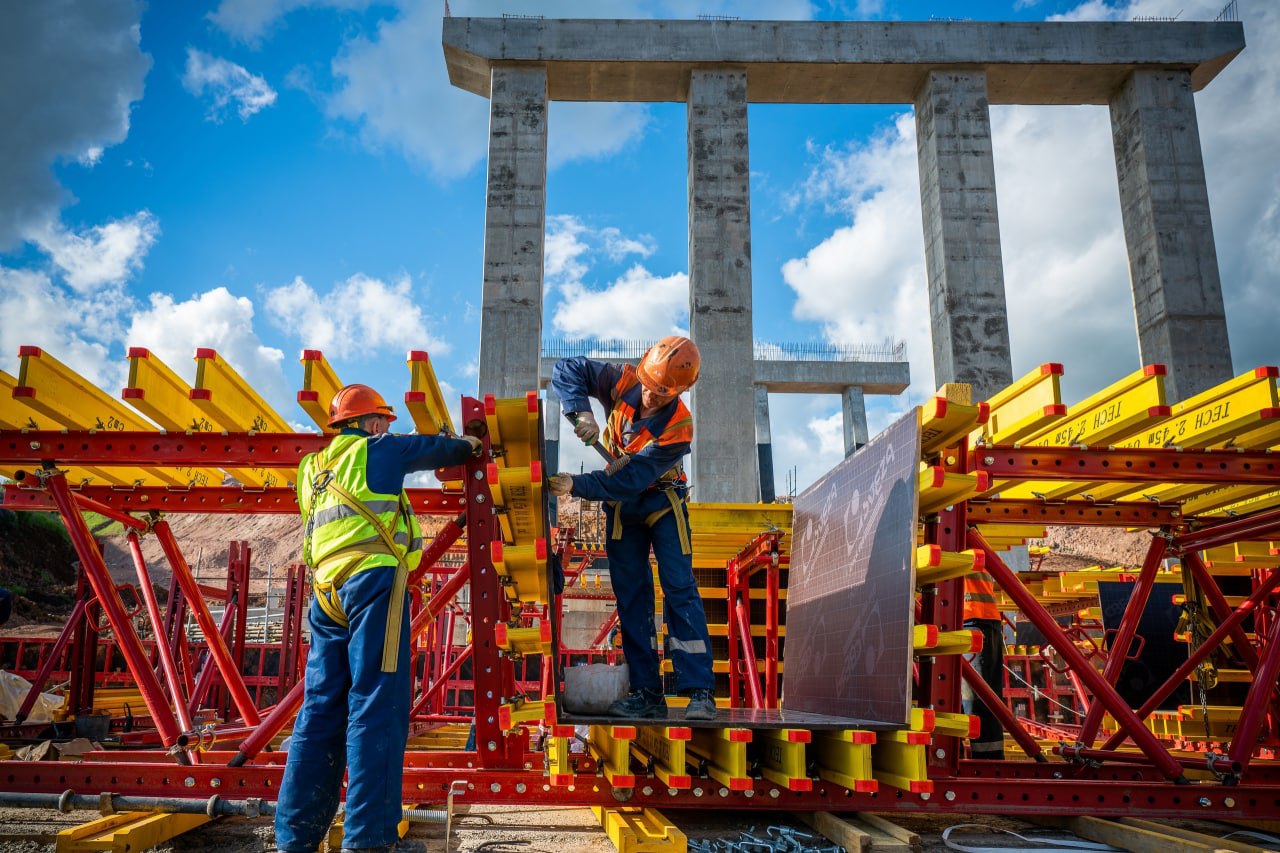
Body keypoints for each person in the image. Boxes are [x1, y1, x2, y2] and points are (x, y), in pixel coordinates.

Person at [275, 384, 481, 853]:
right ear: (371, 423)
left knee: (320, 709)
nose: (388, 428)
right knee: (377, 705)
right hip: (371, 584)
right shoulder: (376, 449)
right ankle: (369, 840)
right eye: (384, 422)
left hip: (326, 593)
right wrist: (469, 445)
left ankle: (295, 838)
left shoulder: (311, 468)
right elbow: (434, 449)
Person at [548, 336, 716, 721]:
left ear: (678, 392)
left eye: (663, 394)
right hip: (623, 508)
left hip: (660, 499)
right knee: (631, 595)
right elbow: (567, 368)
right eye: (651, 389)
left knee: (678, 588)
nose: (652, 398)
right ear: (642, 372)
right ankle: (646, 693)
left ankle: (699, 692)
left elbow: (630, 480)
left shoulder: (679, 427)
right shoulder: (622, 381)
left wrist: (578, 484)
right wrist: (580, 412)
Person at [962, 567, 1006, 760]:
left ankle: (989, 763)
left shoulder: (958, 537)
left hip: (972, 618)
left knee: (977, 702)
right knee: (971, 701)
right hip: (973, 619)